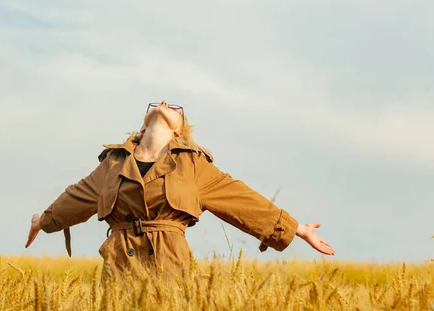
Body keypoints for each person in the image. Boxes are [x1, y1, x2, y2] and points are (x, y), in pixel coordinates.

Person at [25, 101, 335, 279]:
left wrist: (296, 229)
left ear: (178, 130)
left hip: (170, 268)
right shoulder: (113, 162)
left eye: (171, 107)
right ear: (143, 127)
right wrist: (44, 220)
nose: (161, 105)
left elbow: (241, 200)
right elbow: (77, 198)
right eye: (155, 105)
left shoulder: (193, 164)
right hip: (120, 267)